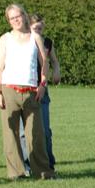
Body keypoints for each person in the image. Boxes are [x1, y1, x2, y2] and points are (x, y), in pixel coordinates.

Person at [0, 4, 55, 180]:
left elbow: (44, 62)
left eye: (18, 16)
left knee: (37, 135)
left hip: (31, 92)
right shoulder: (5, 39)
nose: (16, 20)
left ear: (24, 16)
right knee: (11, 135)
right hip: (9, 90)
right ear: (9, 21)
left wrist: (42, 84)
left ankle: (43, 172)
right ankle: (16, 173)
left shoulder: (35, 37)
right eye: (12, 18)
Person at [19, 13, 61, 172]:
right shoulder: (23, 40)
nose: (39, 30)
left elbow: (54, 61)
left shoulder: (47, 42)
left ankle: (48, 163)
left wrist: (56, 71)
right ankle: (27, 165)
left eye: (41, 27)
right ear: (29, 26)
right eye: (36, 27)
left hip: (42, 89)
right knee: (23, 132)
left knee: (45, 130)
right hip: (25, 87)